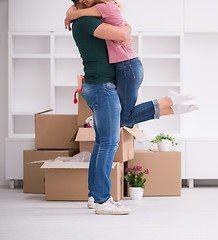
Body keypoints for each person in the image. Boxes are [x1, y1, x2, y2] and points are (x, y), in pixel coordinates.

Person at [65, 0, 198, 215]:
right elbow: (123, 34)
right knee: (109, 143)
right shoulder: (86, 21)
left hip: (98, 86)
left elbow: (125, 30)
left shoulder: (83, 18)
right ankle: (102, 201)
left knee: (102, 142)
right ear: (81, 1)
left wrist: (71, 14)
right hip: (102, 87)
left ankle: (94, 196)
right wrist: (73, 14)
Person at [66, 0, 198, 128]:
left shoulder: (104, 7)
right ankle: (172, 108)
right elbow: (124, 26)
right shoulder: (101, 10)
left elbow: (75, 13)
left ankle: (170, 101)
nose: (83, 2)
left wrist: (69, 17)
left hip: (127, 66)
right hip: (127, 66)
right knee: (124, 118)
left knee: (123, 119)